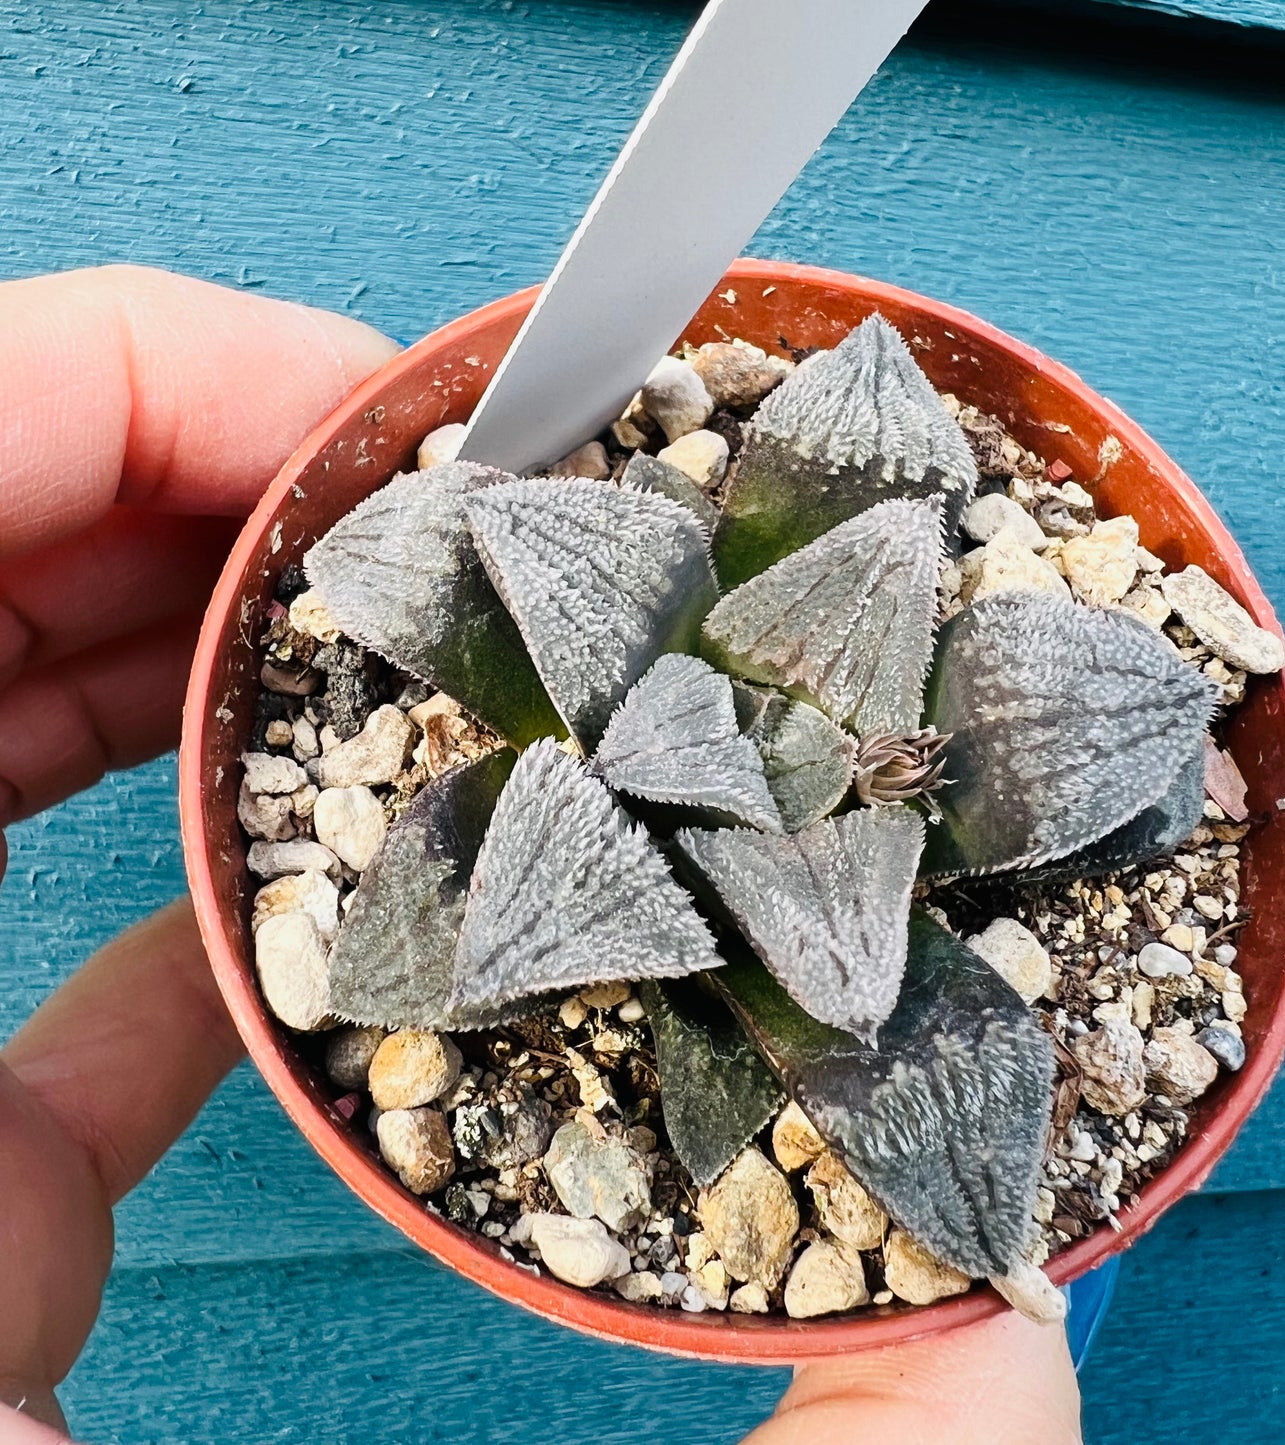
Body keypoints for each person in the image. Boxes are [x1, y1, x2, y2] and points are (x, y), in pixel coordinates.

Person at [0, 266, 1084, 1444]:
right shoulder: (605, 734)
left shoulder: (851, 761)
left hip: (817, 895)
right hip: (636, 822)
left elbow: (875, 890)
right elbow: (425, 558)